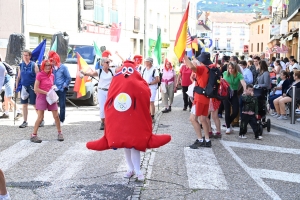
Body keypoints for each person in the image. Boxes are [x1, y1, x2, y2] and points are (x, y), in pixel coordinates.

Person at [86, 60, 171, 181]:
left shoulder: (137, 82)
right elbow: (111, 100)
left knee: (134, 145)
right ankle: (130, 169)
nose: (126, 74)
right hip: (123, 121)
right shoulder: (117, 81)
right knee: (125, 144)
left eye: (129, 70)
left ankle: (137, 170)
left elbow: (144, 95)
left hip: (134, 121)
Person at [81, 57, 120, 130]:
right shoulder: (99, 71)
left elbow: (120, 68)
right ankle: (103, 122)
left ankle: (110, 122)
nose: (109, 64)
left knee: (110, 107)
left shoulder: (112, 70)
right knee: (102, 108)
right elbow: (92, 73)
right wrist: (84, 73)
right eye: (107, 62)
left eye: (109, 62)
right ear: (102, 64)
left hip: (110, 91)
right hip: (101, 91)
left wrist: (114, 61)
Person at [30, 60, 63, 143]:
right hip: (41, 97)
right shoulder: (39, 75)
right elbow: (36, 89)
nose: (48, 67)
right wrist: (46, 93)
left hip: (50, 97)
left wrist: (53, 88)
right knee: (40, 117)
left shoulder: (52, 75)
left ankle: (60, 133)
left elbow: (50, 85)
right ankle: (34, 135)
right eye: (46, 65)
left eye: (49, 65)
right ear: (43, 66)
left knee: (56, 116)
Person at [184, 52, 212, 148]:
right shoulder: (209, 69)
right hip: (206, 98)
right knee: (203, 119)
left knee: (192, 119)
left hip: (199, 98)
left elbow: (191, 67)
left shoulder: (202, 69)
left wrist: (184, 56)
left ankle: (200, 139)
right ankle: (207, 140)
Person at [16, 49, 43, 128]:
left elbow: (38, 77)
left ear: (30, 56)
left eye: (26, 55)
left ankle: (41, 119)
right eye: (24, 55)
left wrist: (37, 88)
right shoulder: (21, 65)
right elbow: (18, 77)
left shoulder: (33, 65)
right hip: (24, 87)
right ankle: (25, 121)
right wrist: (16, 86)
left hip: (32, 86)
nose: (25, 57)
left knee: (34, 104)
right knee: (24, 105)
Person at [223, 62, 247, 134]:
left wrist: (245, 90)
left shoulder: (239, 75)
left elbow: (243, 83)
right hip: (226, 93)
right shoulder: (225, 73)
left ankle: (228, 123)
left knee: (236, 111)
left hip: (234, 93)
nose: (230, 70)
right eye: (229, 68)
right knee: (227, 111)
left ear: (235, 68)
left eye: (232, 68)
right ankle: (228, 128)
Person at [48, 51, 71, 126]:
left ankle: (61, 120)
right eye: (51, 60)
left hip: (61, 89)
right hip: (53, 89)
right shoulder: (51, 67)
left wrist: (64, 86)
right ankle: (57, 118)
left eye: (53, 60)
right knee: (52, 105)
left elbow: (68, 78)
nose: (52, 62)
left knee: (62, 105)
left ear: (57, 59)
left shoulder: (63, 67)